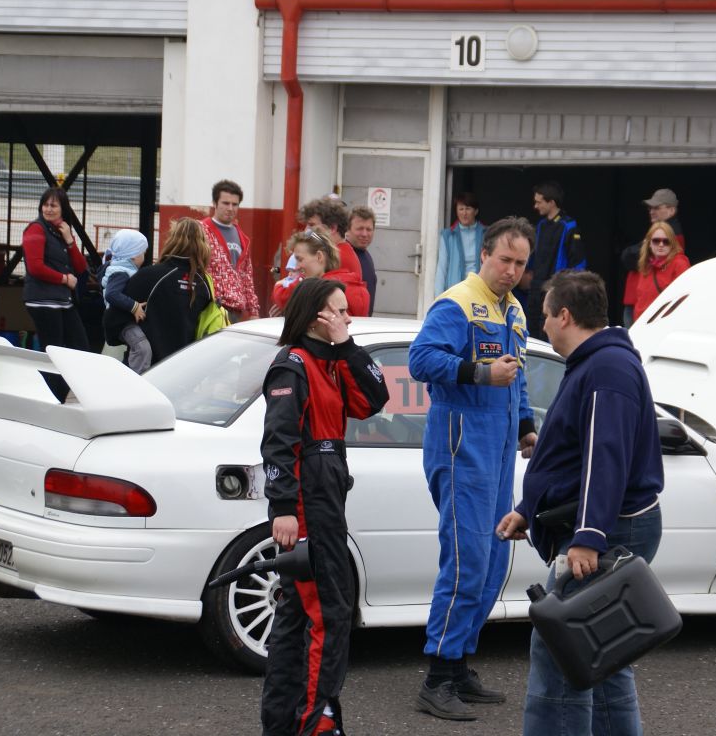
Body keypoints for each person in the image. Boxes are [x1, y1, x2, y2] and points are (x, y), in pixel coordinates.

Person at [496, 270, 663, 736]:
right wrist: (529, 508)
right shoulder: (596, 364)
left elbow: (605, 459)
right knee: (601, 655)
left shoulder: (606, 369)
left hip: (607, 531)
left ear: (565, 315)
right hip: (605, 525)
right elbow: (573, 455)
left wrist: (589, 536)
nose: (543, 324)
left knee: (562, 648)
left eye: (546, 314)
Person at [408, 217, 538, 721]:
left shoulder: (515, 310)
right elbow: (420, 360)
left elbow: (517, 377)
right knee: (466, 562)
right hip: (460, 443)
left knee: (494, 563)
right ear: (484, 254)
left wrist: (525, 425)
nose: (511, 270)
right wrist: (479, 372)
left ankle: (459, 664)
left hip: (500, 448)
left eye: (520, 263)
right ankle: (437, 677)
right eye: (504, 259)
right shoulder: (457, 303)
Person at [259, 277, 389, 736]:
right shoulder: (292, 366)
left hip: (328, 498)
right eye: (341, 310)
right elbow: (278, 443)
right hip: (307, 505)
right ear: (318, 315)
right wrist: (283, 508)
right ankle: (317, 721)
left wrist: (347, 347)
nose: (348, 317)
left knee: (298, 617)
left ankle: (284, 723)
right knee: (329, 614)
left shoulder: (331, 362)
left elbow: (375, 399)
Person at [21, 186, 91, 400]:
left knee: (80, 348)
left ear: (63, 209)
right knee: (53, 352)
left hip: (63, 301)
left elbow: (81, 267)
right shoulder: (35, 230)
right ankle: (49, 397)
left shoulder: (61, 231)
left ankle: (56, 396)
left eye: (54, 205)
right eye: (45, 204)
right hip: (43, 301)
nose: (48, 209)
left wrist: (70, 240)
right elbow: (35, 267)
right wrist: (64, 279)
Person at [125, 218, 213, 365]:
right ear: (203, 244)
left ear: (172, 240)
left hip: (147, 367)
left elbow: (113, 320)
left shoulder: (147, 276)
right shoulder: (205, 284)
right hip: (186, 367)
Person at [525, 182, 585, 339]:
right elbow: (533, 255)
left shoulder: (568, 225)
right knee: (531, 330)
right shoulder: (541, 225)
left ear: (551, 202)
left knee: (548, 333)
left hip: (554, 288)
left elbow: (578, 262)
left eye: (539, 202)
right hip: (536, 288)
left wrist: (568, 288)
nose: (535, 206)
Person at [621, 189, 684, 326]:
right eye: (650, 208)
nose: (651, 211)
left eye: (656, 208)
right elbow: (629, 257)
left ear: (671, 210)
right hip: (640, 303)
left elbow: (631, 258)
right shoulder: (660, 232)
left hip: (650, 308)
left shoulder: (673, 238)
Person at [273, 230, 370, 318]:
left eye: (300, 259)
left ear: (319, 256)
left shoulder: (318, 290)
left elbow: (284, 298)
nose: (296, 267)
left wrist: (278, 285)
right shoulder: (352, 284)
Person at [201, 179, 259, 322]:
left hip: (235, 310)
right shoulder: (201, 231)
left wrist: (253, 310)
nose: (230, 208)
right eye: (226, 203)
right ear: (214, 203)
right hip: (209, 306)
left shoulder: (243, 237)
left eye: (235, 204)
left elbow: (246, 276)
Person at [100, 229, 153, 374]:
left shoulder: (124, 268)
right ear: (134, 255)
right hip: (121, 322)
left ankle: (129, 370)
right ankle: (137, 377)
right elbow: (111, 294)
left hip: (125, 319)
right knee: (142, 347)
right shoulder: (120, 271)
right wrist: (134, 306)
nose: (144, 257)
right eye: (143, 253)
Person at [632, 221, 690, 319]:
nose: (661, 244)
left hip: (666, 322)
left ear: (672, 243)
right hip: (643, 323)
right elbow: (640, 300)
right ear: (649, 243)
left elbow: (684, 298)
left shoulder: (679, 264)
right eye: (656, 241)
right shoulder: (646, 265)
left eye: (666, 241)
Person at [302, 198, 364, 283]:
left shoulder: (335, 258)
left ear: (332, 228)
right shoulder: (340, 252)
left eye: (312, 225)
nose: (306, 230)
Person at [435, 191, 484, 295]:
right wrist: (438, 297)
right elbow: (442, 268)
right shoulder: (448, 235)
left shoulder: (486, 234)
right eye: (461, 209)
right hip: (455, 291)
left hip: (479, 290)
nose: (464, 213)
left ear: (476, 211)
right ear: (456, 212)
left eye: (468, 208)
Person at [347, 205, 377, 312]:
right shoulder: (343, 255)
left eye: (369, 229)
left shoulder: (366, 256)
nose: (364, 234)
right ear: (348, 229)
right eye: (359, 229)